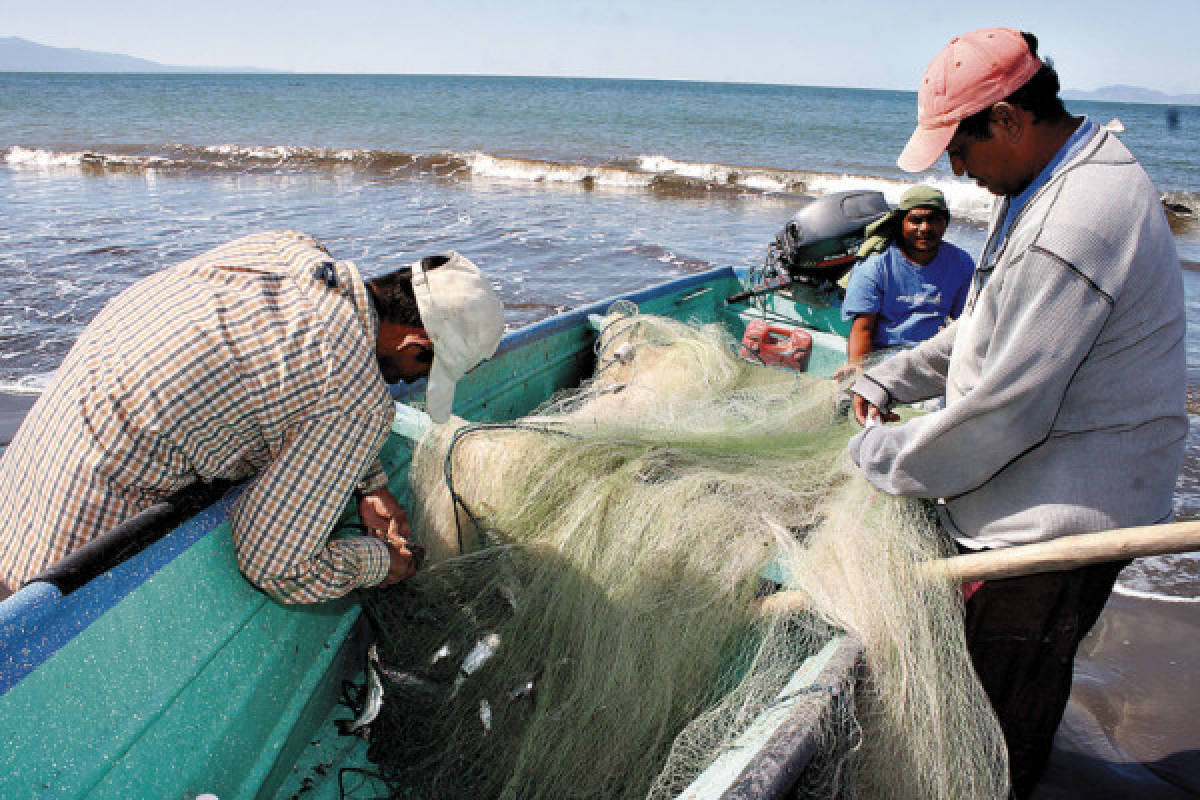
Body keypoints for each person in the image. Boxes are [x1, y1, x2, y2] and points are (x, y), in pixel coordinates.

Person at [845, 28, 1186, 797]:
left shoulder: (1075, 222)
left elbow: (1008, 411)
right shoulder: (1050, 175)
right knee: (997, 694)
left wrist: (875, 458)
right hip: (1035, 487)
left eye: (959, 150)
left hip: (1057, 527)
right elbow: (989, 324)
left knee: (995, 722)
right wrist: (896, 375)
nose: (956, 171)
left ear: (1006, 119)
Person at [0, 230, 505, 604]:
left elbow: (287, 387)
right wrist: (382, 563)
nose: (409, 385)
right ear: (415, 343)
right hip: (75, 533)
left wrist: (368, 483)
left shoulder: (288, 250)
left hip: (29, 465)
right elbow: (275, 564)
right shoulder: (355, 398)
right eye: (425, 372)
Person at [837, 185, 974, 379]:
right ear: (901, 222)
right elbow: (863, 327)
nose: (925, 228)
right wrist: (857, 367)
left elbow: (967, 320)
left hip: (932, 356)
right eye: (916, 220)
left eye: (934, 219)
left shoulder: (961, 263)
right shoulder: (876, 264)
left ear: (945, 223)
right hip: (885, 357)